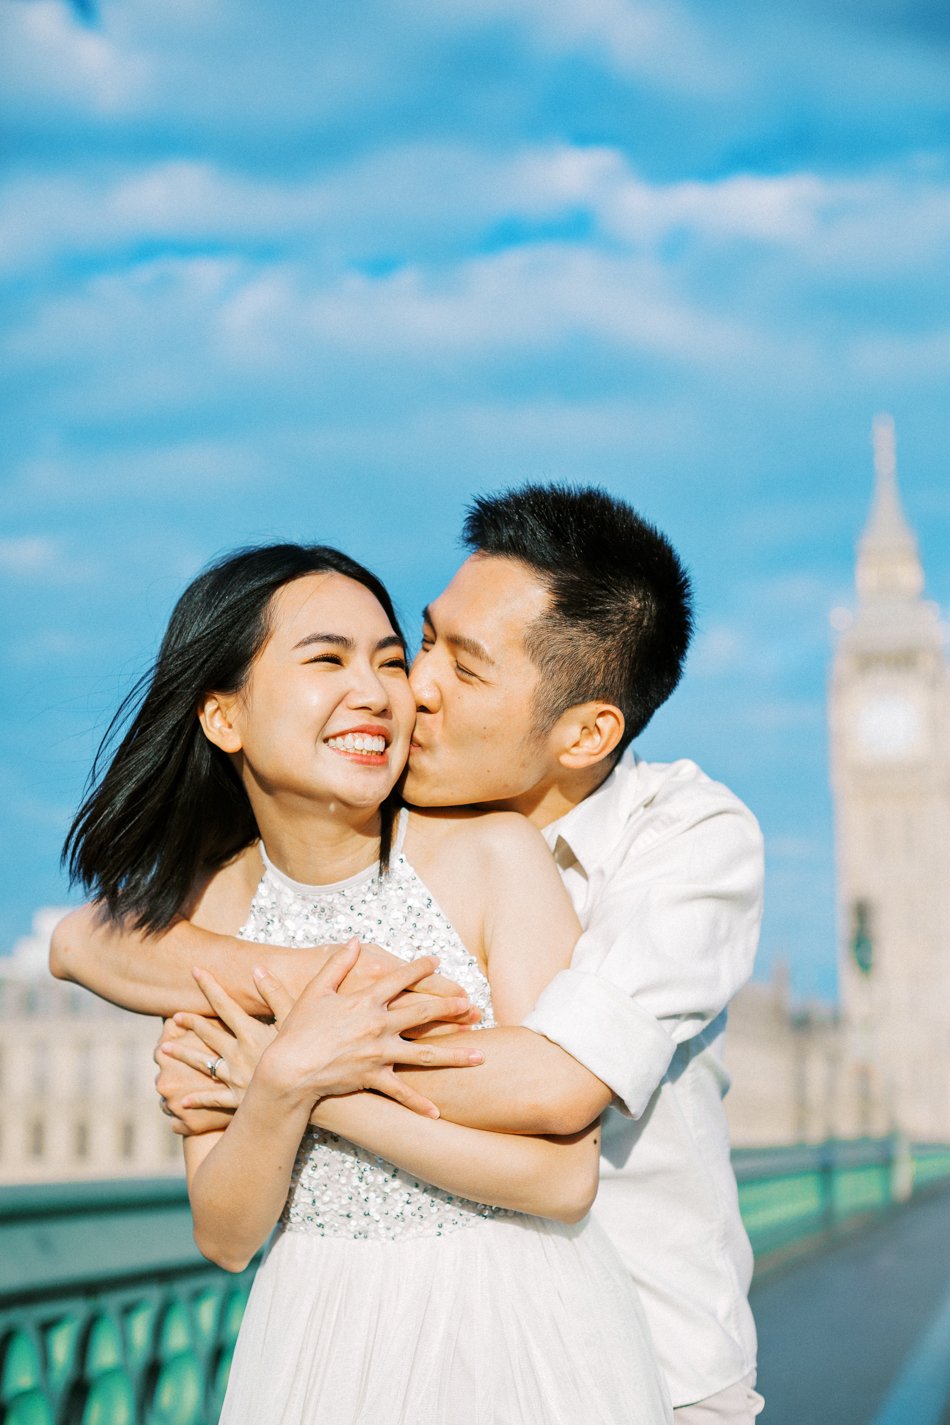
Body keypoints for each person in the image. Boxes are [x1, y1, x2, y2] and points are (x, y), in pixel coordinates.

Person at [53, 484, 765, 1423]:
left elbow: (556, 1085)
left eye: (460, 668)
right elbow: (85, 940)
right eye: (424, 642)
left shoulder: (685, 838)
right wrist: (308, 1000)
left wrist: (284, 1072)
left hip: (648, 1359)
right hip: (332, 1341)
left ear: (588, 732)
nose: (411, 687)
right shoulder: (332, 842)